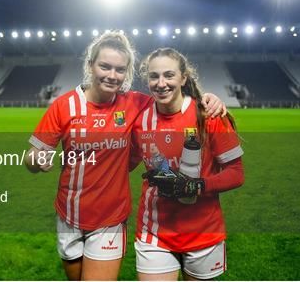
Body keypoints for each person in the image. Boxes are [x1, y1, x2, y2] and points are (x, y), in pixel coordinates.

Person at [25, 32, 226, 280]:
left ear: (127, 72)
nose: (112, 75)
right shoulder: (64, 106)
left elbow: (173, 98)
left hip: (110, 218)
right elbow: (32, 158)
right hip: (68, 215)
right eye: (105, 66)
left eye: (120, 69)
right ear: (90, 65)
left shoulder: (135, 103)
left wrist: (208, 98)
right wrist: (36, 159)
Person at [132, 48, 244, 281]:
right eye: (154, 76)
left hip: (204, 232)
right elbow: (121, 162)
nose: (161, 83)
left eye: (169, 75)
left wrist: (195, 186)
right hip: (155, 232)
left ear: (183, 78)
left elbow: (236, 174)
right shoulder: (139, 119)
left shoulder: (209, 115)